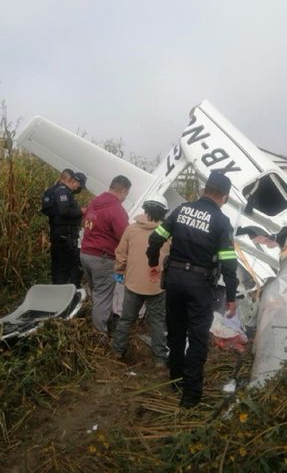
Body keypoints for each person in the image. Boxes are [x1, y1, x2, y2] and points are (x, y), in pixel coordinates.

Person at [146, 171, 238, 408]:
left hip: (174, 280)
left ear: (204, 189)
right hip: (199, 284)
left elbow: (156, 239)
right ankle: (190, 395)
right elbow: (228, 263)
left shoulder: (181, 210)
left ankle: (175, 380)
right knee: (197, 338)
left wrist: (153, 262)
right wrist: (230, 296)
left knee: (175, 333)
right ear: (225, 197)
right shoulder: (221, 222)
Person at [111, 194, 171, 367]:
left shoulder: (131, 229)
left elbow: (121, 255)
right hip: (156, 286)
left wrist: (120, 271)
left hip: (133, 284)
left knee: (126, 319)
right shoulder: (168, 233)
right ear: (163, 213)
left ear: (145, 210)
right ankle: (160, 359)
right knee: (157, 323)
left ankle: (117, 351)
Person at [80, 175, 132, 333]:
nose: (125, 198)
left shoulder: (94, 204)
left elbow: (86, 224)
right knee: (103, 296)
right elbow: (125, 237)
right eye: (126, 194)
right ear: (123, 190)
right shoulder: (116, 209)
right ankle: (99, 334)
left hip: (85, 254)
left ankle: (103, 320)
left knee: (97, 292)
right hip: (103, 259)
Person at [42, 169, 87, 285]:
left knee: (59, 264)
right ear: (75, 182)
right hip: (65, 235)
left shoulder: (58, 190)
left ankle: (58, 287)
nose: (79, 189)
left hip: (59, 233)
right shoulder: (63, 192)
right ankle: (64, 290)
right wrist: (81, 211)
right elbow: (64, 211)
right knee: (66, 265)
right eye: (79, 186)